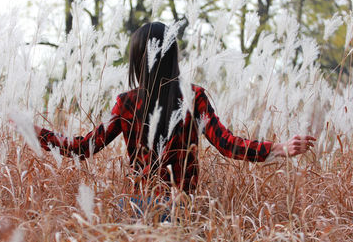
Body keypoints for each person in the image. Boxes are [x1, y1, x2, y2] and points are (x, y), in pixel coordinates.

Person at [33, 22, 315, 196]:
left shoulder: (127, 103)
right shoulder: (194, 97)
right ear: (172, 56)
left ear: (137, 60)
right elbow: (227, 145)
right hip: (183, 208)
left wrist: (38, 134)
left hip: (138, 206)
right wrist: (278, 148)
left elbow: (84, 147)